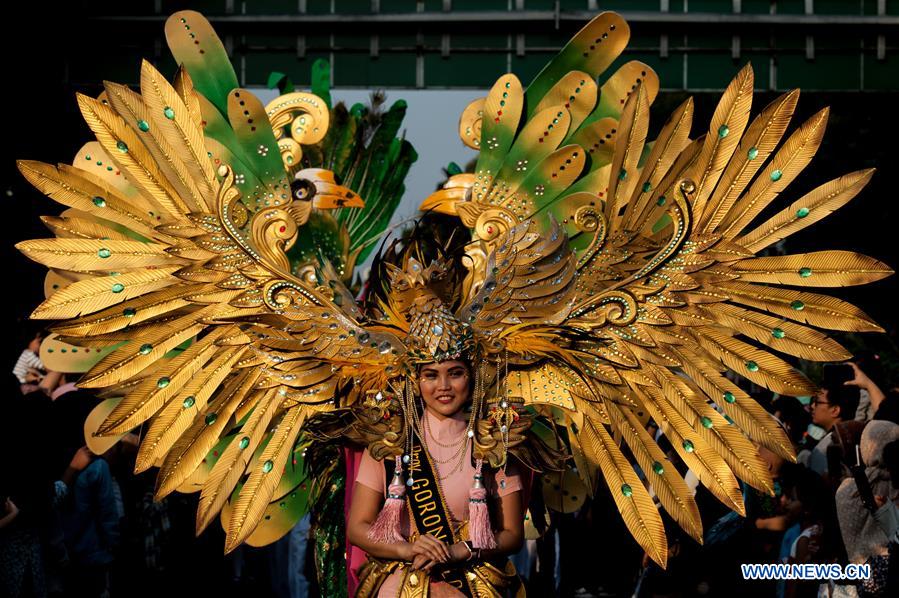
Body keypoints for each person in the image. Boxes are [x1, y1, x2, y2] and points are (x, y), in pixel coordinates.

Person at [347, 359, 525, 597]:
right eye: (431, 375)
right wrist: (407, 549)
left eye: (455, 374)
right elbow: (357, 528)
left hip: (471, 581)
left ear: (472, 377)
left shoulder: (495, 445)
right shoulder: (389, 443)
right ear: (415, 381)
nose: (443, 386)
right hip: (400, 582)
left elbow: (513, 535)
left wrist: (460, 551)